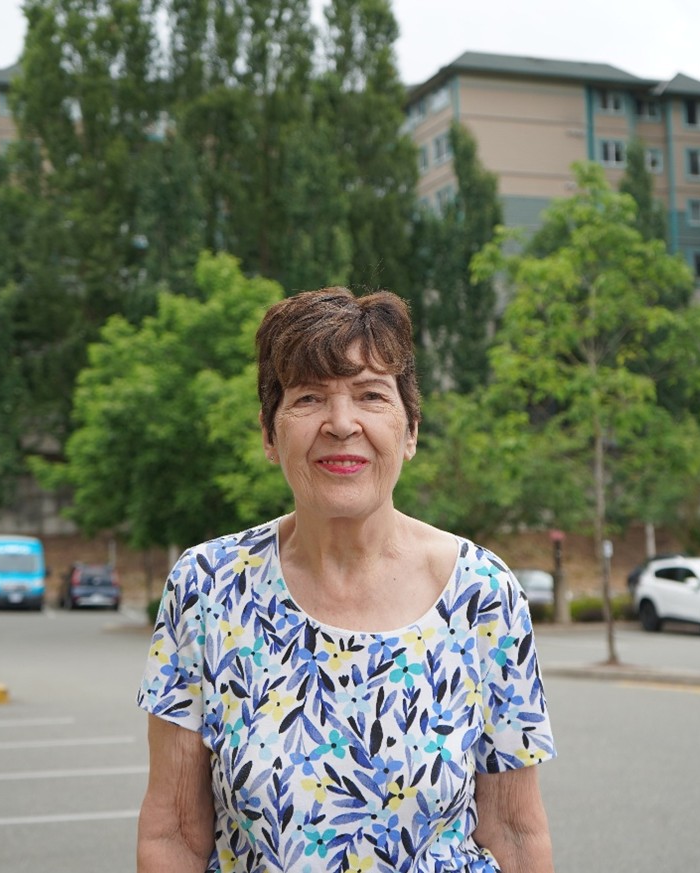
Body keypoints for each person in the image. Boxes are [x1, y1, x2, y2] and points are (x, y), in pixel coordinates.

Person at [136, 288, 556, 872]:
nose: (341, 424)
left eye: (370, 395)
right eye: (309, 398)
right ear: (268, 433)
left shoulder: (483, 592)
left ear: (409, 431)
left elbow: (514, 832)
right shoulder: (207, 587)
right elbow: (175, 835)